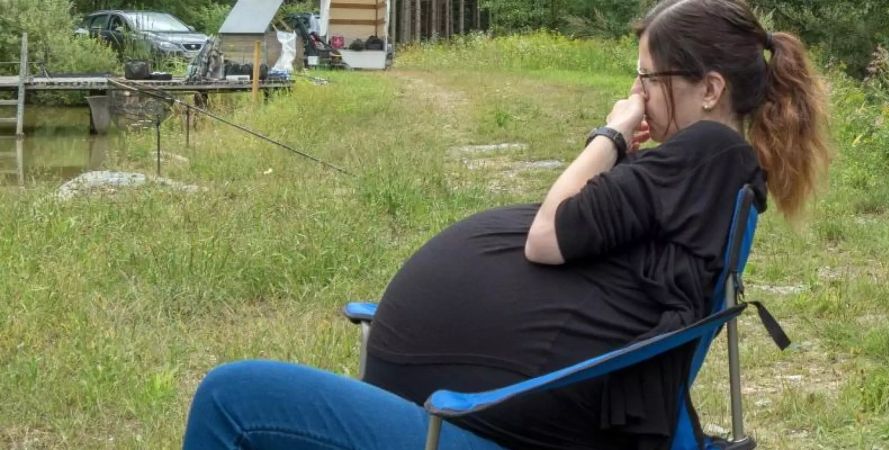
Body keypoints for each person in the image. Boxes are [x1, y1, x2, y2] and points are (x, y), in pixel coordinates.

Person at [182, 1, 831, 449]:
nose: (636, 96)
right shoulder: (705, 171)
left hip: (470, 424)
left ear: (710, 89)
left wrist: (608, 135)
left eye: (646, 79)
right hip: (476, 415)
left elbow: (550, 235)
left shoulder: (706, 154)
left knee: (230, 396)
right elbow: (600, 258)